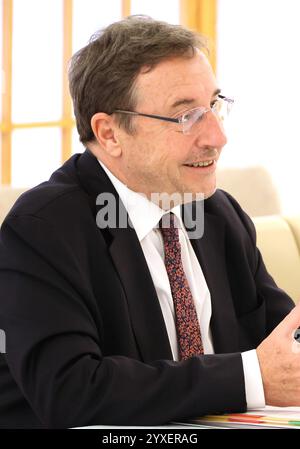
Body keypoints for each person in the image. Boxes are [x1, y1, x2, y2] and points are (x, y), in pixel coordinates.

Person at [0, 15, 299, 430]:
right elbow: (71, 391)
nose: (216, 136)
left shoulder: (218, 215)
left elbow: (283, 346)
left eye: (213, 106)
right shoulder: (42, 229)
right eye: (186, 116)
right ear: (109, 134)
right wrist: (249, 377)